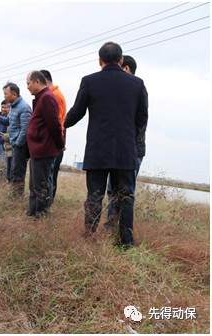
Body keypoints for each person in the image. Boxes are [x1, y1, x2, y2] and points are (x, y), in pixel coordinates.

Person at [63, 42, 148, 249]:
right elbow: (142, 118)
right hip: (125, 151)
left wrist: (62, 123)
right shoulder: (137, 84)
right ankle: (126, 241)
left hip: (97, 150)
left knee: (94, 195)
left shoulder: (89, 81)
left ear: (100, 61)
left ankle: (90, 237)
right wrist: (130, 137)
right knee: (126, 196)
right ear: (121, 61)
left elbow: (77, 112)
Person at [104, 55, 147, 231]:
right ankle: (111, 226)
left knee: (124, 192)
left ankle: (119, 230)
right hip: (125, 148)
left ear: (126, 68)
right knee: (112, 190)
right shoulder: (132, 89)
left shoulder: (135, 89)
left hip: (132, 149)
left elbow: (140, 121)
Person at [25, 71, 65, 218]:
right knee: (34, 185)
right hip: (37, 148)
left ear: (37, 82)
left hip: (44, 149)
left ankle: (41, 215)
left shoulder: (48, 98)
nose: (27, 87)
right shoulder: (41, 98)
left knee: (41, 185)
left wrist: (60, 144)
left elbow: (55, 125)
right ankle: (32, 211)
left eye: (28, 83)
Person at [0, 83, 32, 196]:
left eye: (6, 94)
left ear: (14, 94)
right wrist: (0, 118)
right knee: (13, 172)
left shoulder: (24, 107)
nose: (4, 96)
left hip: (19, 146)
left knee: (18, 172)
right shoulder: (14, 107)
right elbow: (9, 121)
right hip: (15, 144)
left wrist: (17, 143)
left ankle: (17, 197)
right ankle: (14, 195)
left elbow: (25, 129)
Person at [40, 69, 67, 202]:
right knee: (49, 175)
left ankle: (46, 205)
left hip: (52, 143)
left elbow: (56, 123)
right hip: (55, 142)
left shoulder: (53, 96)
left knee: (48, 176)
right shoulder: (54, 94)